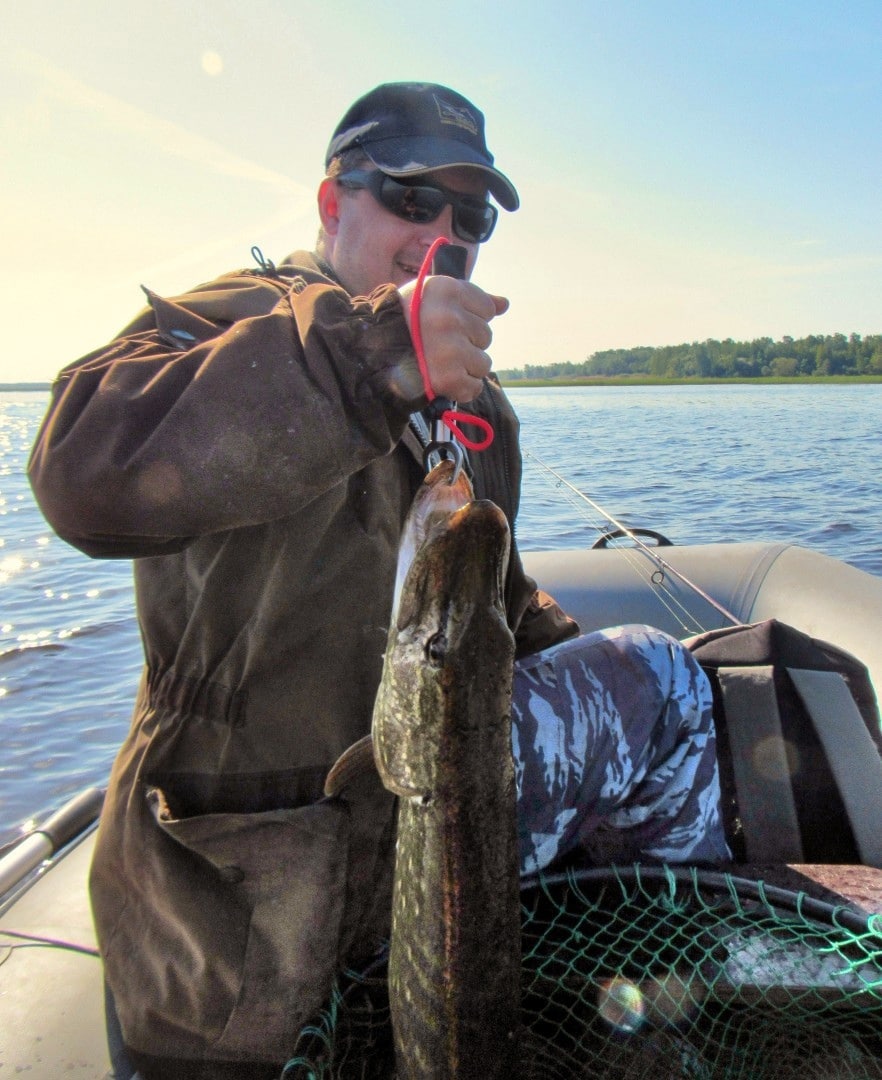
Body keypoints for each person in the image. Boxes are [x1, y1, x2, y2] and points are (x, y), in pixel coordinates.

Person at [28, 82, 730, 1079]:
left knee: (662, 679)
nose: (443, 233)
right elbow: (78, 473)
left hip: (427, 815)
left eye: (471, 216)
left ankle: (665, 989)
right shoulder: (221, 329)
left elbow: (501, 603)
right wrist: (373, 361)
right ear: (330, 203)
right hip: (257, 895)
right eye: (412, 198)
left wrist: (549, 637)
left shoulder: (475, 409)